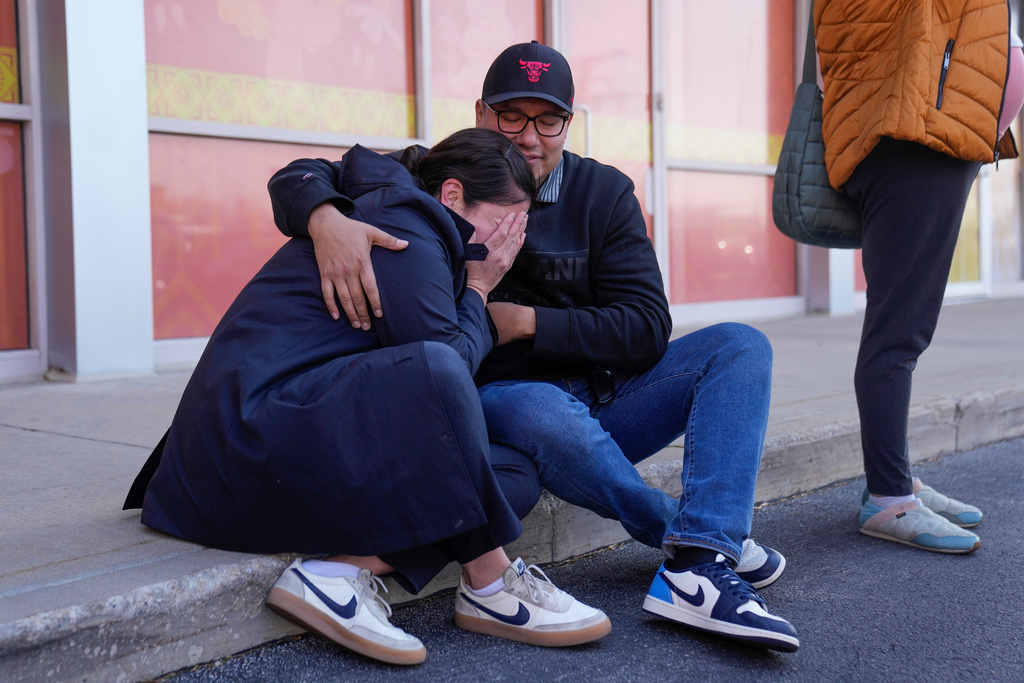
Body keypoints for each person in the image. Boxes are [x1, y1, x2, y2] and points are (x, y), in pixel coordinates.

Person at [268, 42, 799, 652]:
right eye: (510, 115)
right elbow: (301, 174)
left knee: (739, 346)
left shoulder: (604, 193)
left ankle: (699, 561)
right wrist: (324, 217)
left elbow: (648, 328)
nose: (529, 136)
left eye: (548, 119)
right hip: (500, 403)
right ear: (479, 111)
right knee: (537, 413)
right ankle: (694, 542)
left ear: (568, 123)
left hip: (606, 401)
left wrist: (521, 321)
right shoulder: (444, 172)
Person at [123, 129, 612, 666]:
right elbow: (445, 362)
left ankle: (335, 574)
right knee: (439, 369)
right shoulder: (408, 226)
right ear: (452, 196)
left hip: (302, 424)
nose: (508, 242)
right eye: (503, 222)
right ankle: (490, 581)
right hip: (247, 441)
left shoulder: (417, 215)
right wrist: (479, 287)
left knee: (508, 475)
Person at [815, 0, 1023, 553]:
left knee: (903, 328)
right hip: (914, 140)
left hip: (934, 136)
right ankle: (887, 500)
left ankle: (896, 482)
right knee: (898, 331)